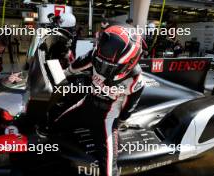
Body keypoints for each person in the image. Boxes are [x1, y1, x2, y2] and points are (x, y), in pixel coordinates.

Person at [50, 25, 145, 176]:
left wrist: (120, 122)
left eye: (109, 65)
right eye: (101, 62)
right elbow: (78, 64)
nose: (103, 67)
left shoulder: (136, 80)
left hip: (107, 120)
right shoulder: (96, 55)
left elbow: (129, 107)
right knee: (54, 126)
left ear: (130, 62)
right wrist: (65, 73)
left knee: (108, 171)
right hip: (86, 105)